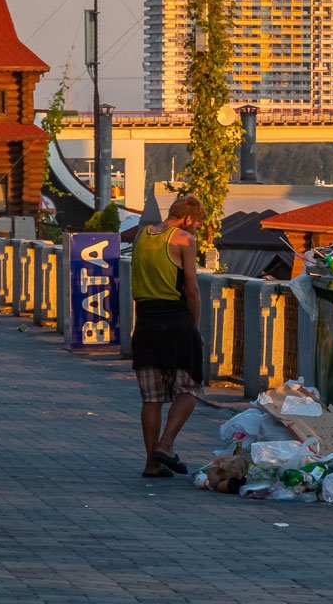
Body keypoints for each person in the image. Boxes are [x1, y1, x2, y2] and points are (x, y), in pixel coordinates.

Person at [130, 194, 205, 477]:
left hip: (145, 321)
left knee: (151, 397)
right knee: (190, 387)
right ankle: (166, 444)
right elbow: (192, 289)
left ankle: (152, 463)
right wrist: (194, 327)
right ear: (187, 218)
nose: (195, 229)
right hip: (175, 321)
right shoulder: (184, 240)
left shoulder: (141, 236)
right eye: (196, 223)